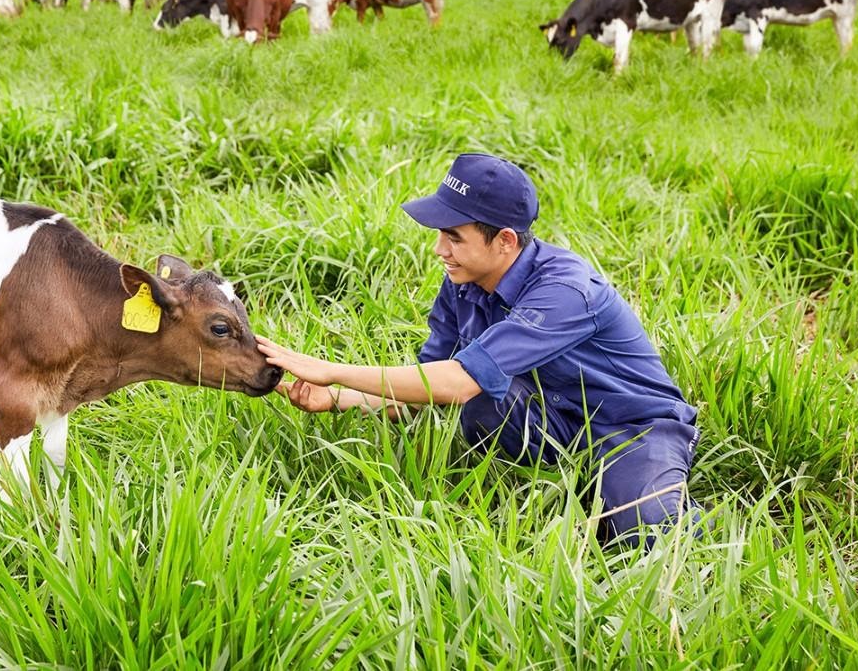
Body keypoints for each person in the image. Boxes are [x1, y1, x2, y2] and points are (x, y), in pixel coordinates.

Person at [255, 152, 700, 542]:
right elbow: (427, 387)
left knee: (648, 536)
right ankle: (561, 493)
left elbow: (454, 382)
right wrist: (334, 399)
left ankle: (661, 509)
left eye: (454, 237)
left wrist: (331, 369)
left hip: (630, 427)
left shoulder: (565, 289)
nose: (439, 250)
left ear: (505, 240)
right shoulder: (462, 282)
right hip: (551, 421)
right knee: (483, 401)